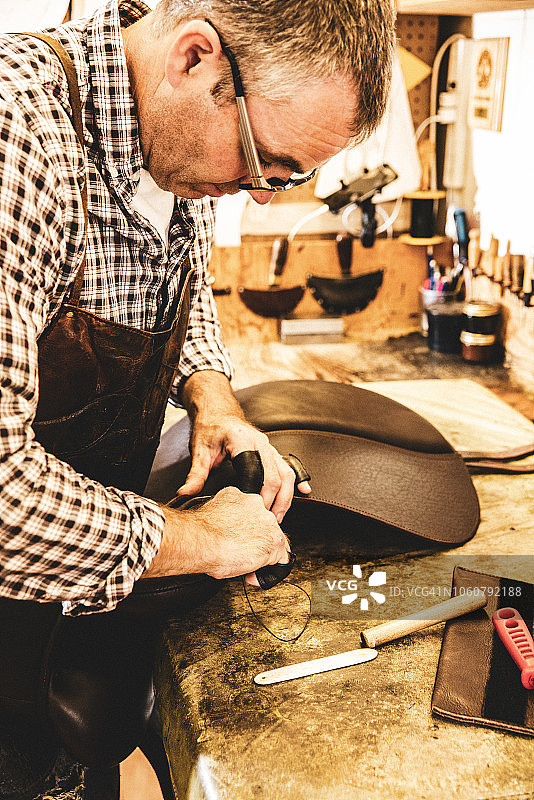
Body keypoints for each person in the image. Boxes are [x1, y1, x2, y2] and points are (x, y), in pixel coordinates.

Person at [0, 0, 394, 795]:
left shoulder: (169, 134)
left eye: (289, 177)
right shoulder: (20, 145)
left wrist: (213, 396)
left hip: (66, 619)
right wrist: (204, 540)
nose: (259, 196)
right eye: (264, 163)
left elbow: (183, 282)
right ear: (194, 58)